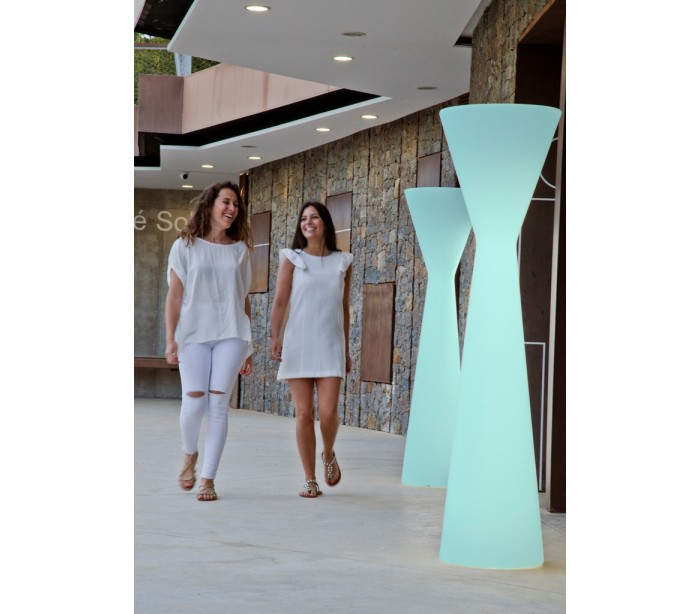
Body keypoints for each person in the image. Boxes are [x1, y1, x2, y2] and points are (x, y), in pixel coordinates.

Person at [164, 181, 254, 502]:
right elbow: (175, 296)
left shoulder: (240, 250)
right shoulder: (184, 246)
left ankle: (208, 479)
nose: (232, 209)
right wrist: (171, 339)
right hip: (192, 335)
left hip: (232, 334)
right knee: (193, 402)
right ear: (210, 204)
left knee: (218, 405)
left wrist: (248, 347)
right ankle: (190, 453)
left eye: (236, 205)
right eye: (226, 202)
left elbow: (243, 299)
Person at [270, 201, 353, 498]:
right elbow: (280, 301)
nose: (308, 222)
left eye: (314, 217)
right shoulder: (292, 259)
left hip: (330, 344)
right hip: (298, 343)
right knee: (304, 413)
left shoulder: (343, 261)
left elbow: (344, 307)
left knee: (328, 412)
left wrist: (346, 349)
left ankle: (328, 453)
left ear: (325, 223)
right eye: (304, 218)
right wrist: (275, 336)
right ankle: (309, 479)